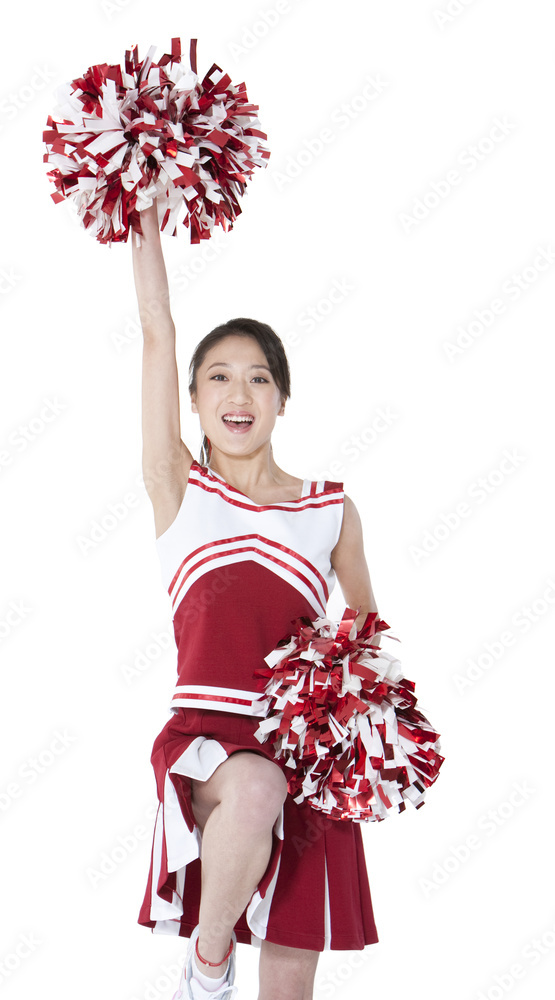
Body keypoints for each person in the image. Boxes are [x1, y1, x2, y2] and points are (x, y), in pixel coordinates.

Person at [132, 201, 380, 1000]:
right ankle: (207, 968)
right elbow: (156, 332)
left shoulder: (329, 509)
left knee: (290, 981)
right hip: (212, 738)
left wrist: (358, 705)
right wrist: (141, 219)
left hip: (306, 754)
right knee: (252, 786)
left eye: (259, 377)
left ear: (281, 399)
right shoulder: (179, 490)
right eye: (218, 378)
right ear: (196, 402)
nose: (239, 392)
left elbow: (366, 638)